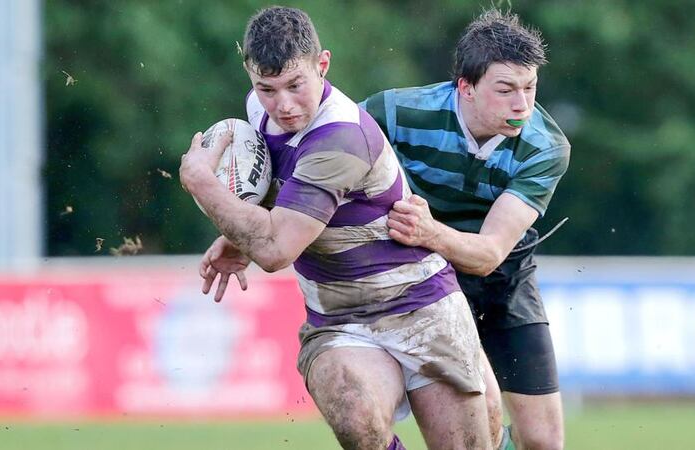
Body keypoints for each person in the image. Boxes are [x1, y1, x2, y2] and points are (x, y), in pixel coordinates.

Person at [179, 6, 493, 450]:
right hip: (338, 319)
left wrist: (200, 181)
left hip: (421, 307)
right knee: (356, 420)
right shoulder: (259, 112)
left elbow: (276, 249)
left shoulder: (340, 137)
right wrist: (236, 239)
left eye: (295, 85)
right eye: (266, 88)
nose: (283, 105)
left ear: (322, 65)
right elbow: (274, 188)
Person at [360, 9, 570, 450]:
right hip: (423, 282)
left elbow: (490, 252)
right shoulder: (396, 112)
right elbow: (322, 157)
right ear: (466, 87)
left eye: (530, 88)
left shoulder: (545, 147)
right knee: (471, 432)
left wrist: (428, 230)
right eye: (506, 89)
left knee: (544, 442)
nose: (523, 106)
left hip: (502, 281)